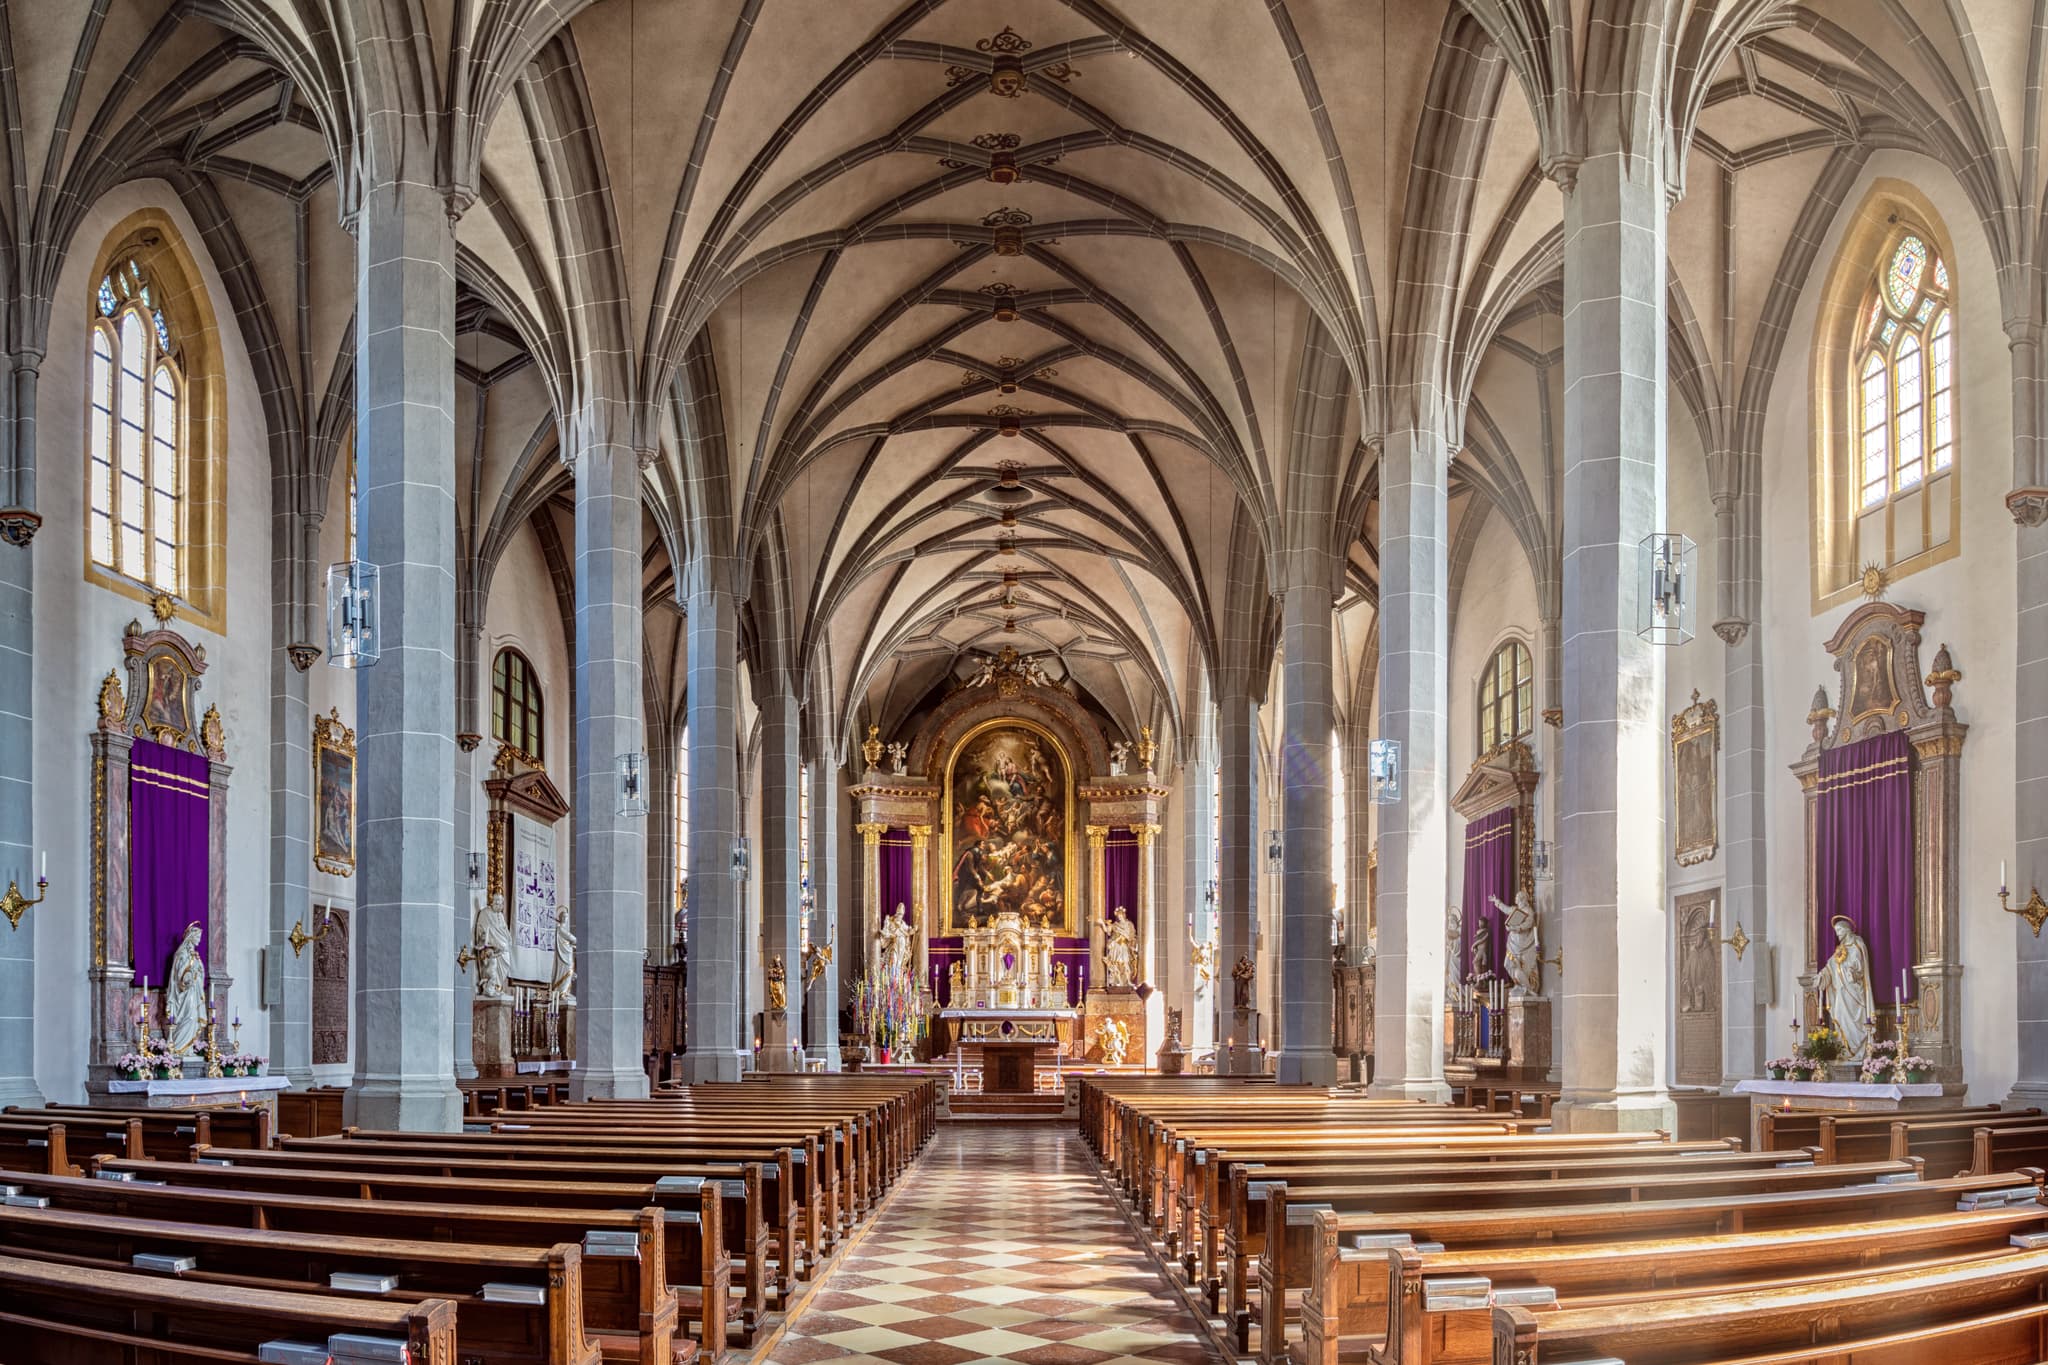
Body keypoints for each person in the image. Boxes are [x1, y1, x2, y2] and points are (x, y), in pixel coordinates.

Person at [1814, 913, 1875, 1056]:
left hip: (1854, 991)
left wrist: (1853, 973)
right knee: (1840, 1016)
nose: (1838, 934)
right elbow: (1831, 965)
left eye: (1839, 931)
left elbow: (1861, 966)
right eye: (1836, 932)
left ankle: (1859, 1050)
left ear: (1847, 930)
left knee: (1857, 1019)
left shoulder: (1857, 944)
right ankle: (1847, 1051)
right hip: (1841, 992)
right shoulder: (1840, 949)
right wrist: (1822, 975)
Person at [1489, 889, 1542, 997]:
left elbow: (1528, 924)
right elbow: (1506, 909)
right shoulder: (1516, 910)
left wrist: (1515, 928)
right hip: (1513, 943)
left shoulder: (1528, 911)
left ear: (1522, 899)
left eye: (1517, 897)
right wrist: (1496, 901)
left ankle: (1527, 987)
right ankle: (1519, 985)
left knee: (1522, 967)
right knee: (1507, 964)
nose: (1515, 899)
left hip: (1524, 943)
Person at [164, 921, 206, 1055]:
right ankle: (178, 1048)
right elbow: (179, 975)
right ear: (191, 937)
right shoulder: (182, 954)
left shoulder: (195, 955)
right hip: (185, 992)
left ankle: (187, 1049)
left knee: (193, 1018)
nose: (199, 940)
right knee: (189, 1017)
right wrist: (189, 976)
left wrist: (198, 972)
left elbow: (200, 973)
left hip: (194, 990)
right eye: (197, 937)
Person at [473, 890, 512, 1000]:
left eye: (500, 902)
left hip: (503, 946)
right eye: (496, 901)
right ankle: (490, 987)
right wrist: (485, 940)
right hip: (493, 947)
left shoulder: (500, 915)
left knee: (506, 964)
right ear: (492, 901)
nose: (499, 904)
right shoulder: (485, 913)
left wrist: (509, 937)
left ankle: (498, 987)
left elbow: (504, 929)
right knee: (492, 969)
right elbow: (481, 929)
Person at [551, 904, 576, 1003]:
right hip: (563, 956)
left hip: (568, 953)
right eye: (563, 916)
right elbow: (572, 938)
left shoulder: (564, 929)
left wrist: (571, 944)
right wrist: (573, 942)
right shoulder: (560, 929)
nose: (565, 918)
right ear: (560, 918)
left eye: (566, 917)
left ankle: (565, 992)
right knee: (567, 971)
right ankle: (561, 992)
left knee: (570, 971)